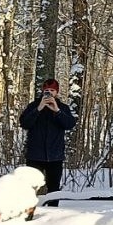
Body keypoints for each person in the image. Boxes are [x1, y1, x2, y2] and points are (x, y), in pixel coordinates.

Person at [20, 77, 76, 207]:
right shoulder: (33, 106)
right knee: (30, 188)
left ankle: (53, 213)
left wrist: (57, 111)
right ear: (42, 91)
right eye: (47, 90)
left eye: (52, 90)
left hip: (55, 156)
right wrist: (38, 109)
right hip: (35, 155)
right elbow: (24, 123)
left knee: (54, 189)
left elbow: (70, 124)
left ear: (57, 92)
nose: (49, 93)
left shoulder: (62, 108)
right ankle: (29, 212)